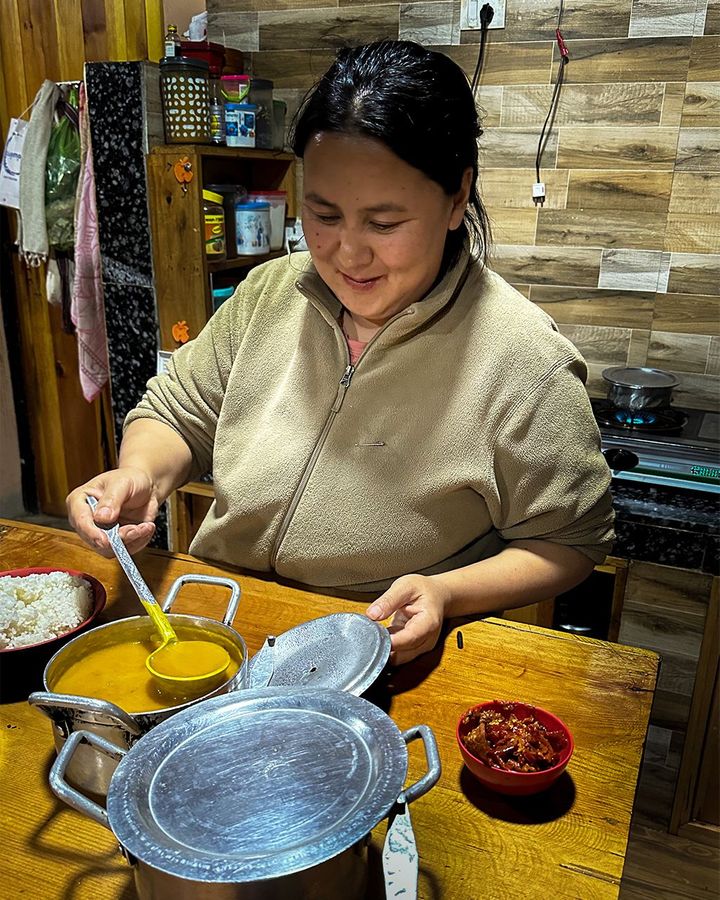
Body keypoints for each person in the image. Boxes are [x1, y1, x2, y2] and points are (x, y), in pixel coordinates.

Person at [67, 40, 614, 665]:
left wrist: (446, 592)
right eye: (324, 215)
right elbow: (175, 413)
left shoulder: (524, 360)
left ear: (458, 197)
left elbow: (571, 542)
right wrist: (142, 473)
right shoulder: (271, 292)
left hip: (369, 647)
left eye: (383, 224)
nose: (347, 255)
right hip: (223, 621)